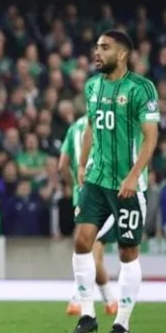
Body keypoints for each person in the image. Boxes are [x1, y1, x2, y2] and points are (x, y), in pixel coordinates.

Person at [70, 30, 159, 333]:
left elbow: (150, 138)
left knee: (127, 250)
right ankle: (87, 314)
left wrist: (134, 175)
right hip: (97, 179)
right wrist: (82, 164)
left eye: (104, 47)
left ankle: (122, 322)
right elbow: (91, 127)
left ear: (122, 54)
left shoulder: (141, 88)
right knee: (82, 241)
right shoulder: (92, 86)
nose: (97, 52)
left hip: (127, 185)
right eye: (96, 47)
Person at [59, 115, 118, 316]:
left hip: (81, 194)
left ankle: (105, 299)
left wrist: (74, 186)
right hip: (102, 192)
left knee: (92, 250)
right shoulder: (106, 120)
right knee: (93, 250)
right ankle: (88, 298)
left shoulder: (74, 127)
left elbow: (62, 165)